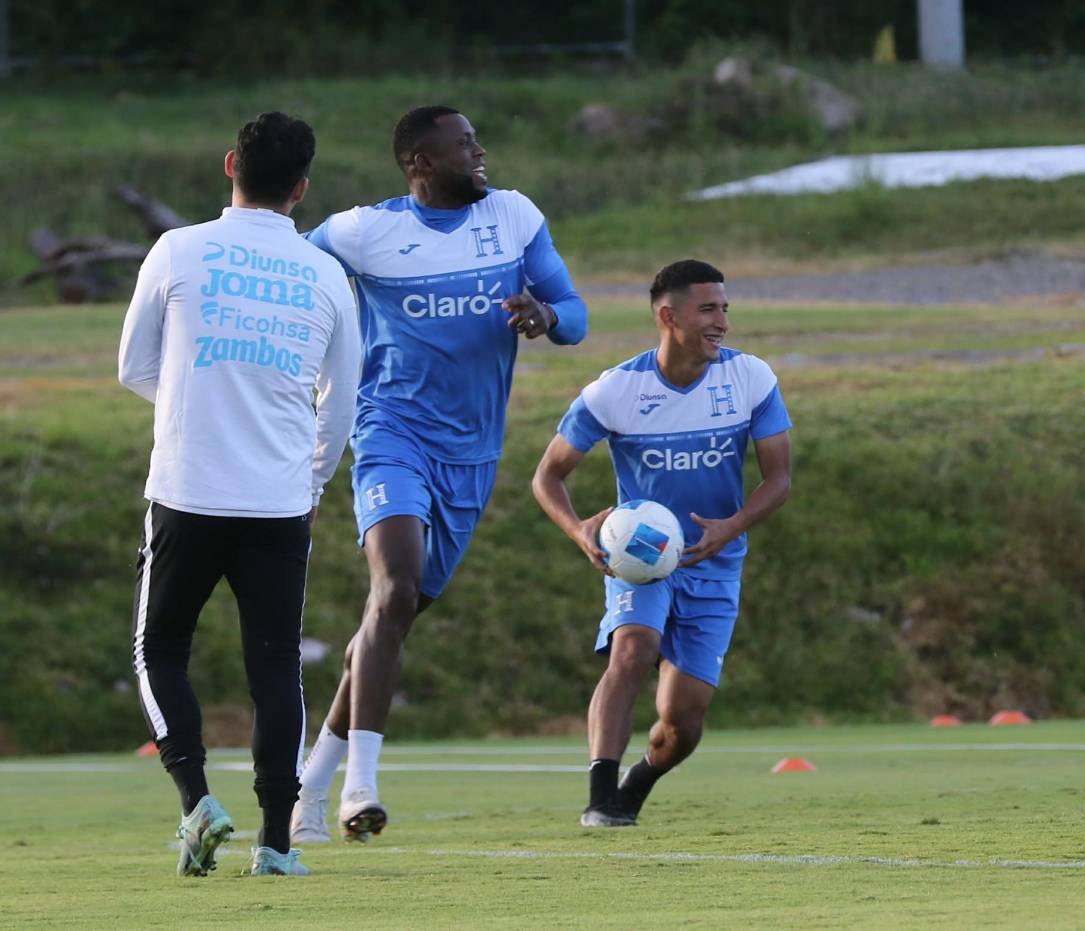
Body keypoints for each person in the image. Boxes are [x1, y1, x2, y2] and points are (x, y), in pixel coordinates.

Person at [290, 105, 587, 844]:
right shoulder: (363, 231)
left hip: (472, 456)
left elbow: (577, 316)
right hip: (390, 433)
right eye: (464, 145)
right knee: (390, 590)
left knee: (389, 621)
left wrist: (544, 316)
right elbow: (290, 270)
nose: (481, 151)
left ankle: (310, 787)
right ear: (421, 163)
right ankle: (363, 783)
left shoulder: (514, 218)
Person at [117, 112, 361, 876]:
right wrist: (310, 473)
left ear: (231, 165)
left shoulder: (177, 248)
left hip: (186, 492)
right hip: (280, 501)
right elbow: (343, 399)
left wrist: (195, 408)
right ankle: (276, 845)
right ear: (303, 187)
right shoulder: (325, 273)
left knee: (159, 649)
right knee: (274, 668)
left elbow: (133, 365)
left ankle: (196, 803)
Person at [532, 259, 791, 826]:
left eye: (725, 308)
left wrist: (731, 526)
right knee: (632, 651)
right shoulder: (616, 391)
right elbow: (547, 477)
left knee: (682, 719)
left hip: (716, 562)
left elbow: (779, 480)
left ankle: (637, 783)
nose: (722, 321)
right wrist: (579, 530)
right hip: (640, 560)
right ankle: (600, 795)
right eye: (708, 309)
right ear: (668, 316)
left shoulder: (751, 379)